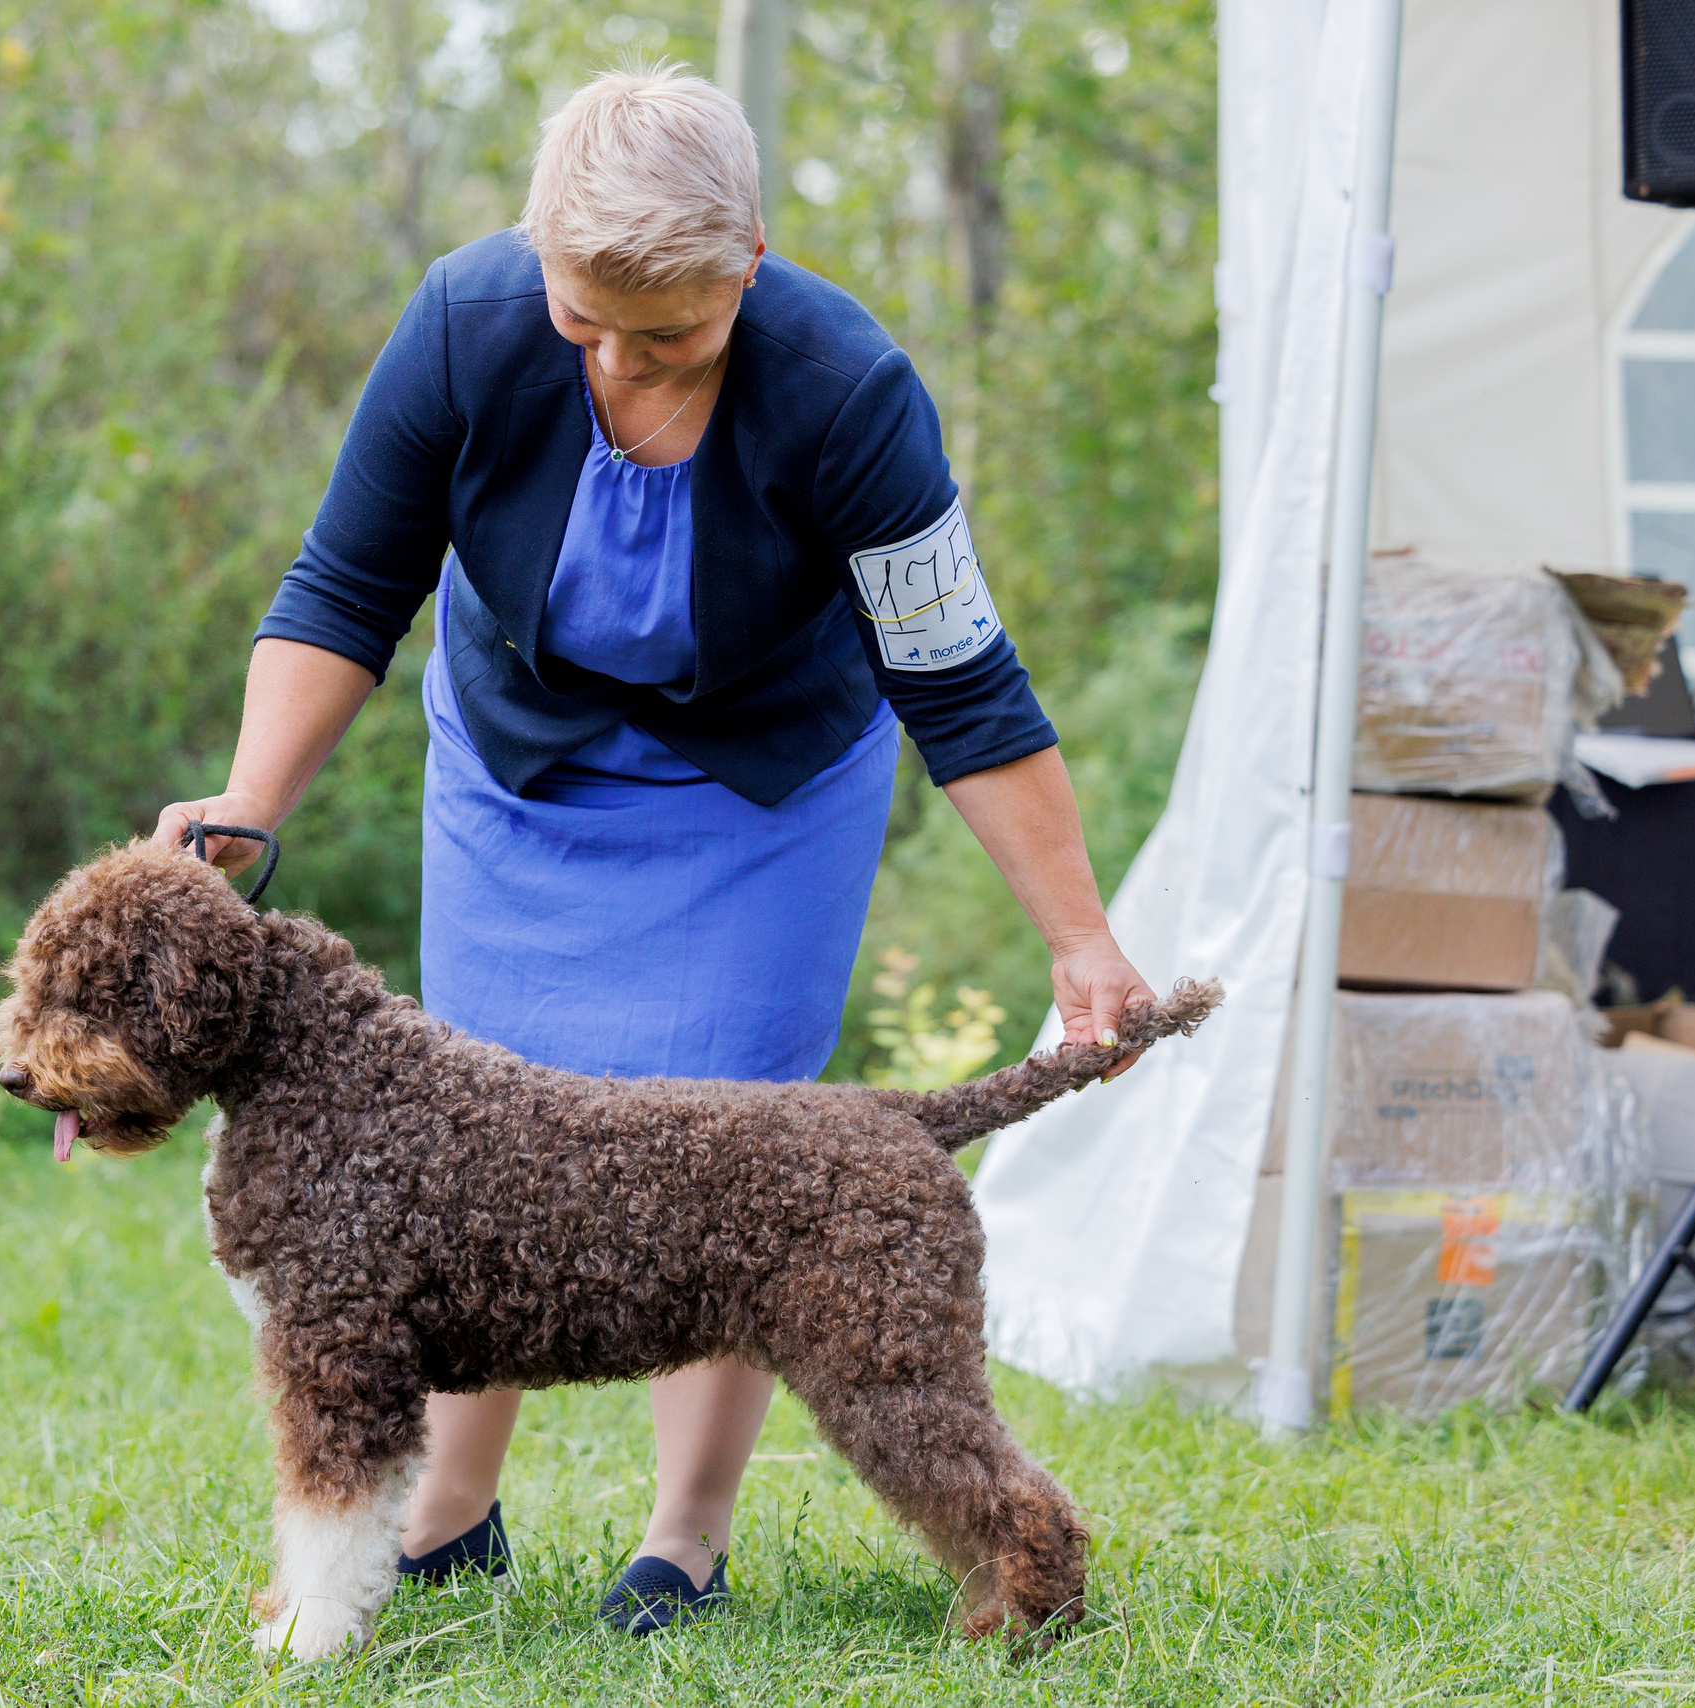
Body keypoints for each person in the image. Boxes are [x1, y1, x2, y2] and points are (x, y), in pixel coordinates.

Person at [157, 64, 1151, 1635]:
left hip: (761, 788)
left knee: (730, 1154)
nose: (615, 359)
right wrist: (243, 809)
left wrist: (1080, 936)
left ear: (748, 259)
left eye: (666, 332)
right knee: (467, 1138)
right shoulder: (467, 322)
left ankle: (683, 1534)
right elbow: (347, 587)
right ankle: (446, 1512)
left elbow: (961, 680)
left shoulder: (850, 391)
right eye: (582, 319)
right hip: (523, 769)